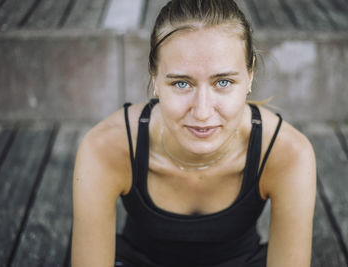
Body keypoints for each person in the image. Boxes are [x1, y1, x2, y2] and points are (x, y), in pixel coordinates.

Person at [71, 0, 316, 266]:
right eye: (181, 83)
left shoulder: (288, 153)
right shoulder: (106, 148)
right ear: (155, 78)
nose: (201, 112)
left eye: (223, 82)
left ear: (250, 75)